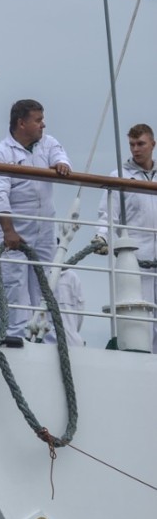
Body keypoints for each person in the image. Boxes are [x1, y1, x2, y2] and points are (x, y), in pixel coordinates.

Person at [0, 99, 71, 338]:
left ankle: (50, 337)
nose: (43, 125)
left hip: (44, 230)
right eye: (38, 120)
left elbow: (59, 154)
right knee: (14, 285)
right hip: (14, 231)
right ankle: (14, 336)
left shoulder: (47, 143)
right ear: (21, 123)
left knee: (46, 286)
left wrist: (62, 164)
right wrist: (9, 231)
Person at [96, 123, 157, 351]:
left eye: (140, 144)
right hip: (137, 259)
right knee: (142, 316)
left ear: (153, 144)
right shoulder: (120, 176)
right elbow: (108, 214)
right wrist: (101, 237)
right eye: (132, 144)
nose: (135, 149)